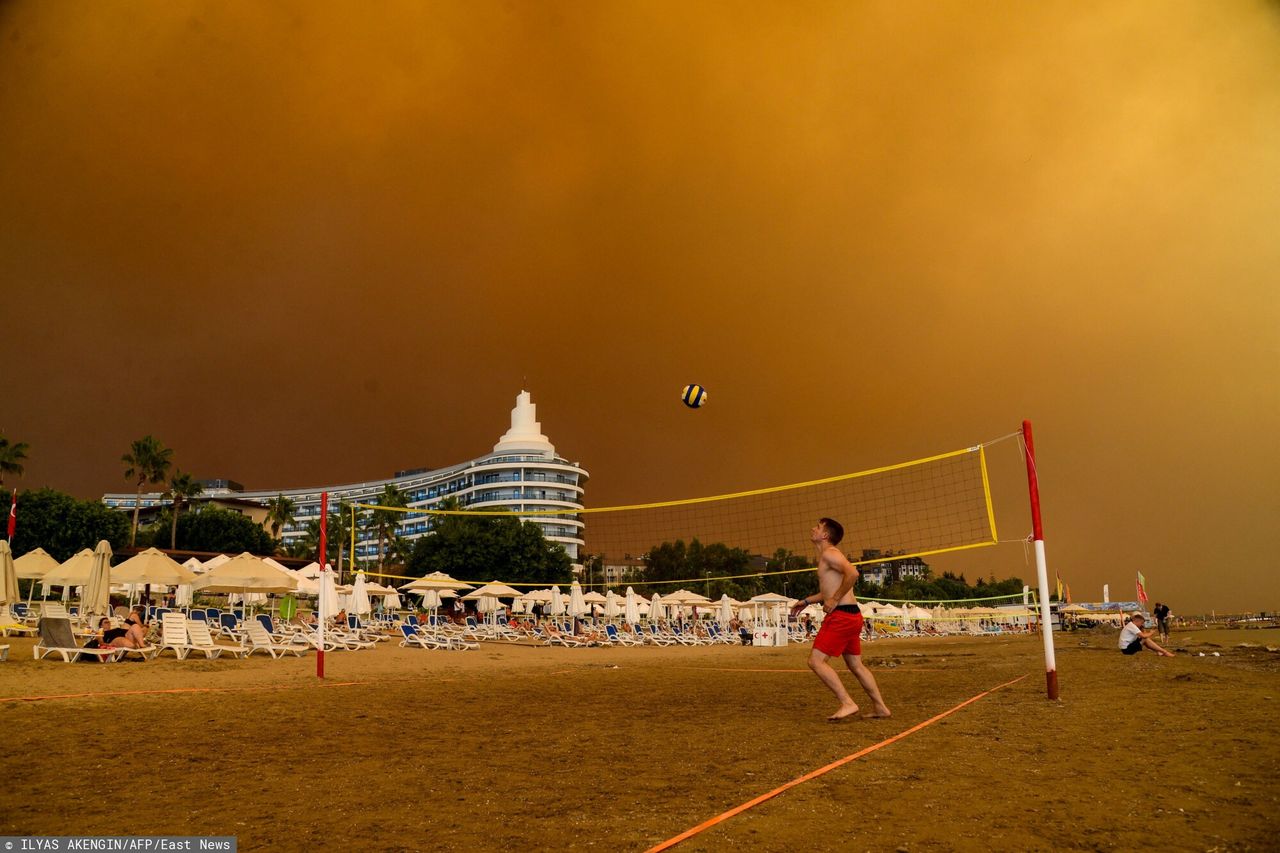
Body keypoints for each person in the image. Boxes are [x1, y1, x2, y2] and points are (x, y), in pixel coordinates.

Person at [790, 518, 891, 721]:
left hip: (842, 615)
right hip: (852, 614)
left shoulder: (829, 553)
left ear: (825, 535)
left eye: (817, 527)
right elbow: (828, 591)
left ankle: (847, 703)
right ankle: (881, 707)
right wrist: (807, 601)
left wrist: (835, 599)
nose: (813, 528)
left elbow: (853, 574)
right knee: (856, 665)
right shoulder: (828, 556)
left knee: (816, 662)